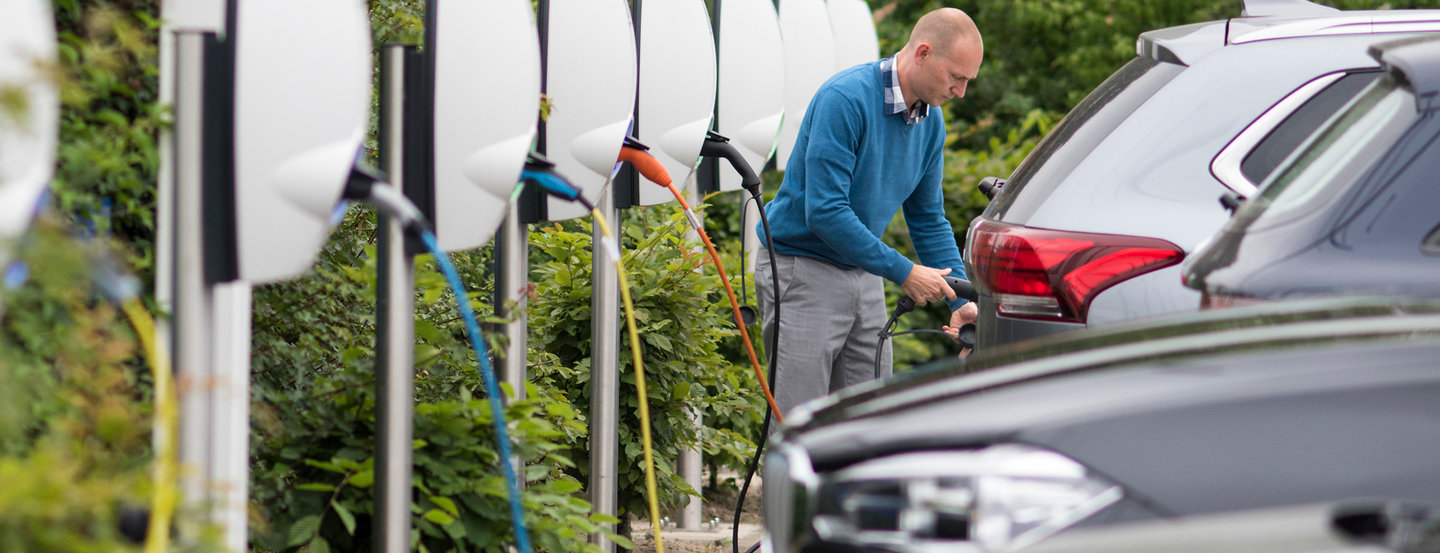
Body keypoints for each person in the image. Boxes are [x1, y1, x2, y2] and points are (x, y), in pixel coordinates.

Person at [755, 7, 982, 416]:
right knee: (800, 424)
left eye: (968, 80)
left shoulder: (931, 123)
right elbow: (824, 212)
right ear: (923, 53)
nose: (961, 91)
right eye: (956, 77)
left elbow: (928, 218)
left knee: (871, 419)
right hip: (801, 268)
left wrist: (958, 297)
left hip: (863, 271)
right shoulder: (845, 99)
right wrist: (904, 272)